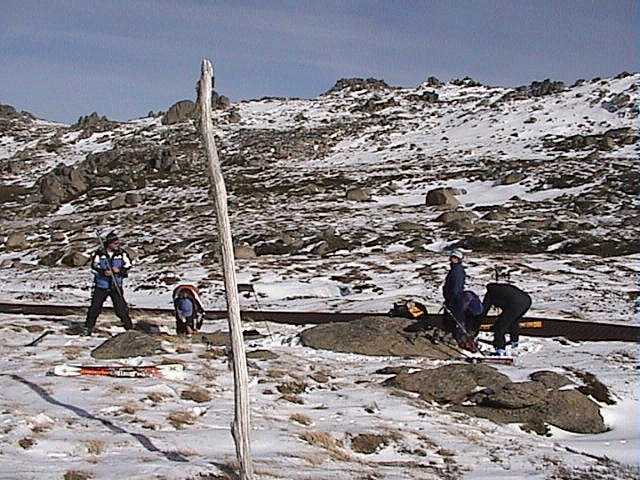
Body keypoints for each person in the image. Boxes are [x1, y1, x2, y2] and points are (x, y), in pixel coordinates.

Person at [84, 232, 133, 335]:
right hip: (102, 285)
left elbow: (128, 265)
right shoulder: (100, 253)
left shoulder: (122, 253)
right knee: (95, 308)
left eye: (118, 243)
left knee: (121, 309)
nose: (117, 245)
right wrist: (103, 272)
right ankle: (88, 328)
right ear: (109, 243)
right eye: (115, 243)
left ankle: (129, 329)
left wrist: (118, 270)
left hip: (116, 285)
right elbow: (94, 267)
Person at [482, 282, 532, 356]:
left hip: (515, 303)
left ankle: (500, 350)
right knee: (514, 321)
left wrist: (476, 325)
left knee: (500, 326)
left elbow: (483, 311)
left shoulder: (491, 294)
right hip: (527, 300)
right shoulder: (502, 289)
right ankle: (514, 342)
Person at [442, 249, 466, 340]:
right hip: (451, 297)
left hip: (454, 299)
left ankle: (457, 337)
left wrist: (452, 299)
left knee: (454, 319)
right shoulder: (454, 270)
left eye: (455, 258)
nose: (453, 260)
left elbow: (456, 287)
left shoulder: (457, 271)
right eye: (452, 258)